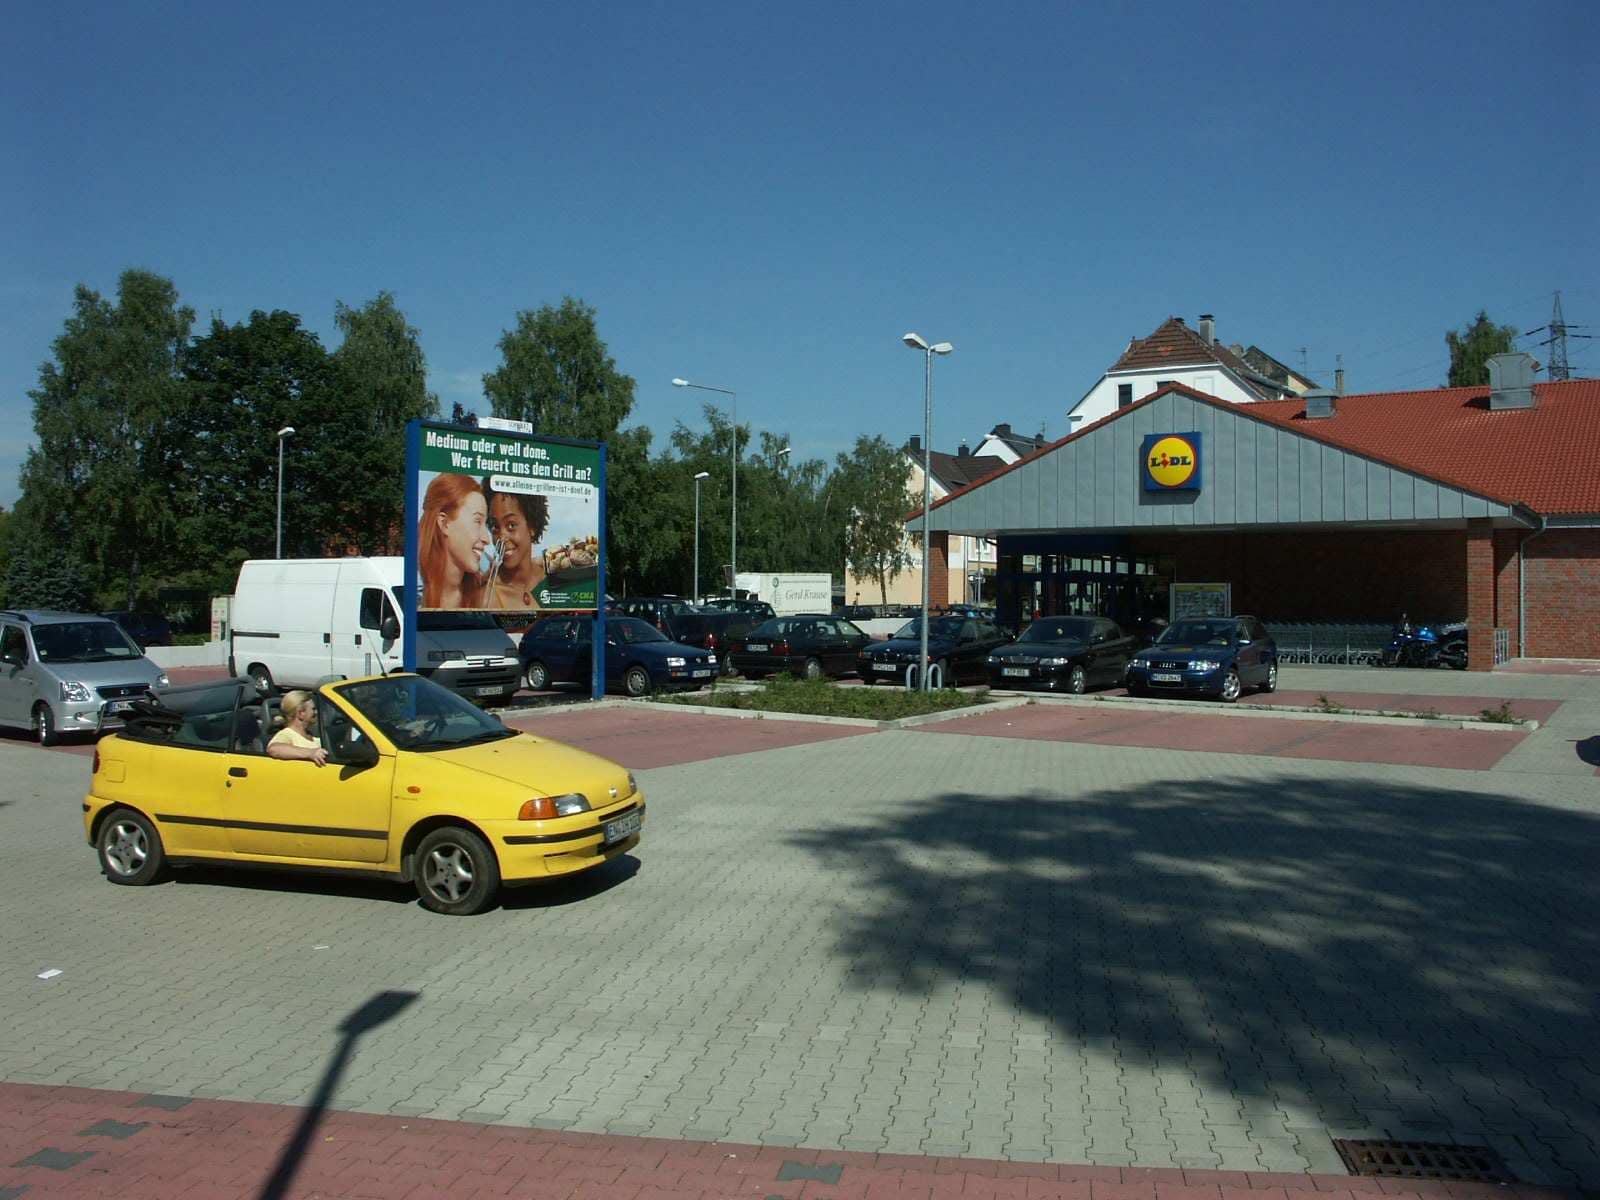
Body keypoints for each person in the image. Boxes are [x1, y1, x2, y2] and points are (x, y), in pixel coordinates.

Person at [419, 473, 489, 609]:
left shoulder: (487, 599)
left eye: (485, 524)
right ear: (444, 523)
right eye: (477, 521)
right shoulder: (414, 598)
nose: (487, 538)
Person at [482, 485, 550, 610]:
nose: (501, 537)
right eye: (495, 526)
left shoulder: (554, 581)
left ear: (532, 526)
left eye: (511, 525)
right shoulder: (487, 596)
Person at [267, 690, 327, 766]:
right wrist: (310, 753)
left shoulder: (311, 732)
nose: (316, 712)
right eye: (313, 709)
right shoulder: (287, 734)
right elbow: (274, 749)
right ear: (301, 713)